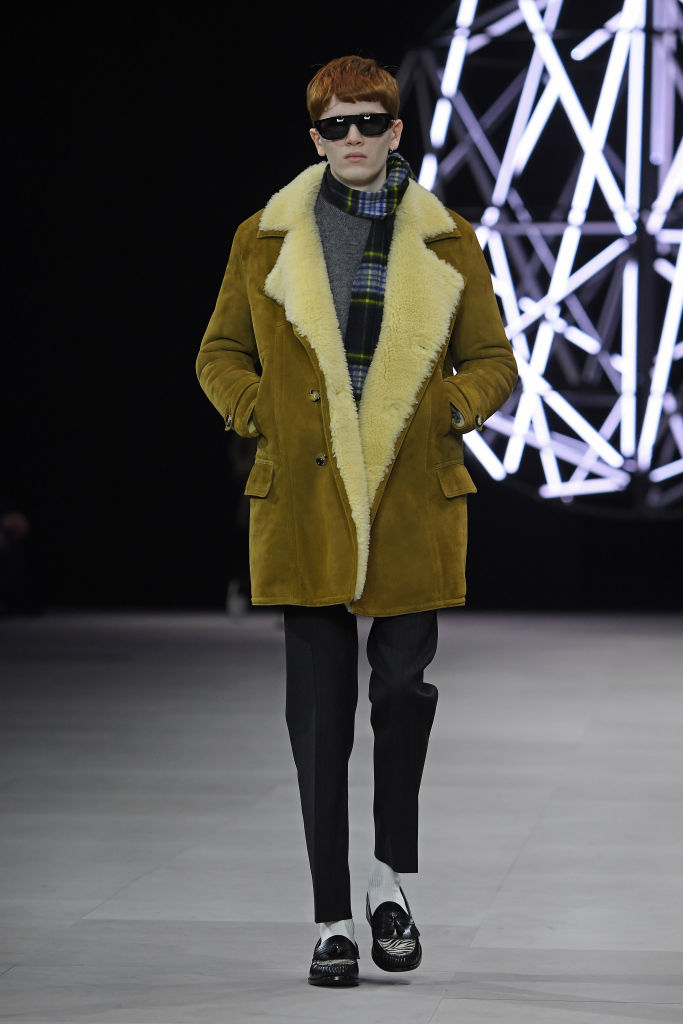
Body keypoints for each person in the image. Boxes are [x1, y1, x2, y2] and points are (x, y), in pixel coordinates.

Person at [196, 54, 517, 986]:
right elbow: (218, 352)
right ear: (314, 137)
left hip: (409, 499)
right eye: (334, 125)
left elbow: (493, 361)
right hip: (304, 500)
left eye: (367, 122)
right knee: (317, 720)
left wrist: (445, 409)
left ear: (395, 130)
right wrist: (260, 412)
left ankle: (388, 883)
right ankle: (331, 919)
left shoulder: (447, 239)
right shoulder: (263, 238)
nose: (351, 139)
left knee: (403, 695)